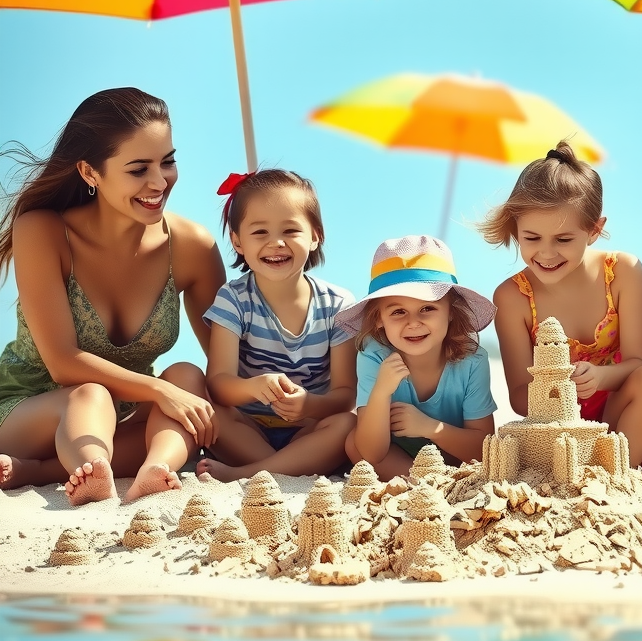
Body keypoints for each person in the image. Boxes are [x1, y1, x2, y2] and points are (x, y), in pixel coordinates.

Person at [0, 88, 225, 504]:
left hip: (125, 417)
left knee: (188, 379)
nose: (160, 182)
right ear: (89, 172)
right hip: (26, 411)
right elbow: (65, 364)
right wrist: (158, 391)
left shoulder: (193, 246)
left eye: (168, 161)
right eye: (139, 169)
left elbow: (227, 363)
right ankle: (93, 470)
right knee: (91, 394)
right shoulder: (42, 231)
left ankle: (153, 470)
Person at [481, 141, 642, 471]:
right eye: (531, 238)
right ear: (516, 228)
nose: (546, 252)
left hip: (617, 420)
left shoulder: (622, 272)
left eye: (563, 240)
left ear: (594, 230)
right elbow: (517, 395)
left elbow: (638, 362)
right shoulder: (512, 297)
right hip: (553, 435)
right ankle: (576, 476)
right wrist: (557, 390)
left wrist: (599, 377)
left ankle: (614, 479)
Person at [196, 170, 357, 481]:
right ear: (237, 241)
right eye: (259, 233)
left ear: (315, 236)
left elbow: (345, 394)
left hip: (306, 430)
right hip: (247, 428)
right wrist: (254, 386)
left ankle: (250, 474)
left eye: (291, 230)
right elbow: (218, 383)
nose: (276, 243)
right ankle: (286, 468)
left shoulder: (337, 305)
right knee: (206, 405)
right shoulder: (233, 298)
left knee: (347, 423)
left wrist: (309, 405)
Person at [341, 235, 497, 480]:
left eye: (427, 308)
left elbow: (483, 448)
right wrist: (381, 392)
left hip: (453, 458)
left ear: (451, 312)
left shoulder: (472, 360)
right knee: (354, 443)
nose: (413, 322)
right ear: (379, 318)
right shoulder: (374, 355)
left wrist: (430, 428)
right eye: (398, 311)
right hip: (400, 458)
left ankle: (436, 484)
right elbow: (372, 452)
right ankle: (425, 487)